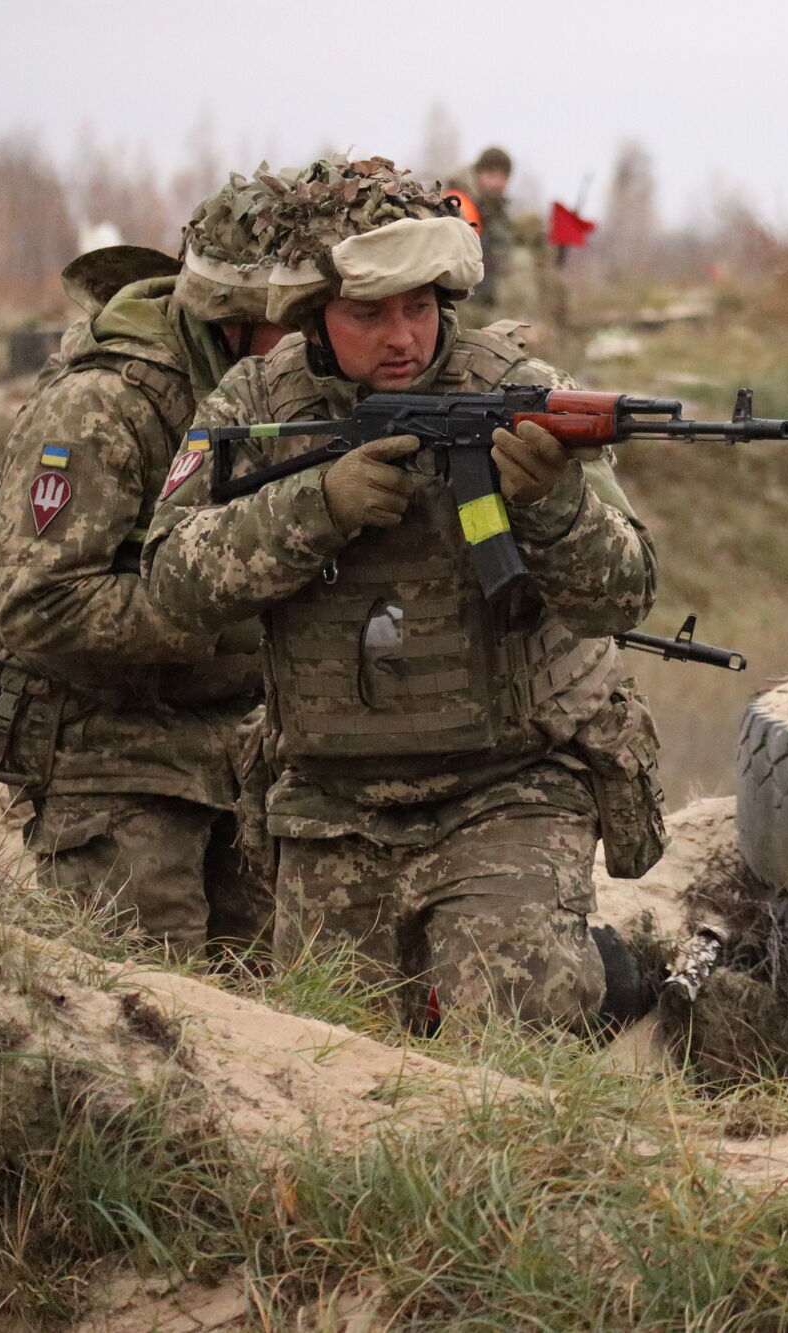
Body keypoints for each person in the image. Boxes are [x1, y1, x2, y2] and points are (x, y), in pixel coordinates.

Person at [142, 157, 662, 1031]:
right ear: (313, 317)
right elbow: (172, 583)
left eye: (419, 308)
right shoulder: (256, 406)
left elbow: (626, 592)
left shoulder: (519, 389)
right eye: (369, 313)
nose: (402, 338)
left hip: (508, 788)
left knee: (513, 1022)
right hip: (329, 805)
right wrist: (318, 506)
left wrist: (552, 507)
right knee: (335, 1064)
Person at [0, 173, 292, 954]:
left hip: (240, 757)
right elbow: (37, 606)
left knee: (271, 1032)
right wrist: (210, 606)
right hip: (109, 760)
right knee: (148, 1021)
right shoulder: (108, 403)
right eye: (297, 322)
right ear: (233, 319)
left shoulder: (279, 396)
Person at [444, 146, 514, 310]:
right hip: (460, 302)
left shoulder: (498, 212)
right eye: (491, 175)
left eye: (502, 177)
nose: (497, 183)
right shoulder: (458, 203)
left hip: (484, 300)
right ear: (478, 174)